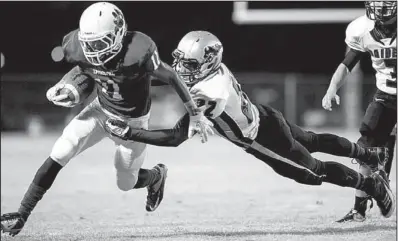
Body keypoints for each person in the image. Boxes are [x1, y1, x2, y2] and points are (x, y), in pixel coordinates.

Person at [104, 30, 395, 222]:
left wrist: (130, 133)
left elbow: (175, 138)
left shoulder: (209, 92)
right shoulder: (212, 69)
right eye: (181, 62)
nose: (181, 69)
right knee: (312, 139)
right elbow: (172, 79)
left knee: (312, 172)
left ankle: (371, 184)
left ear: (207, 62)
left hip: (261, 139)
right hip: (265, 116)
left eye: (189, 65)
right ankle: (368, 154)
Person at [0, 2, 213, 236]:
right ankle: (21, 214)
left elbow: (171, 75)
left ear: (119, 33)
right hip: (100, 110)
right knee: (61, 149)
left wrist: (194, 111)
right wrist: (66, 86)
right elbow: (83, 70)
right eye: (89, 43)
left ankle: (155, 176)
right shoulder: (76, 46)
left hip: (133, 121)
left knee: (125, 182)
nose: (94, 50)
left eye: (100, 43)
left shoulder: (139, 50)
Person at [322, 1, 396, 222]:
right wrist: (332, 88)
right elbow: (347, 63)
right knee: (366, 151)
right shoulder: (362, 29)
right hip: (386, 96)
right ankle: (359, 210)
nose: (381, 7)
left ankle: (382, 182)